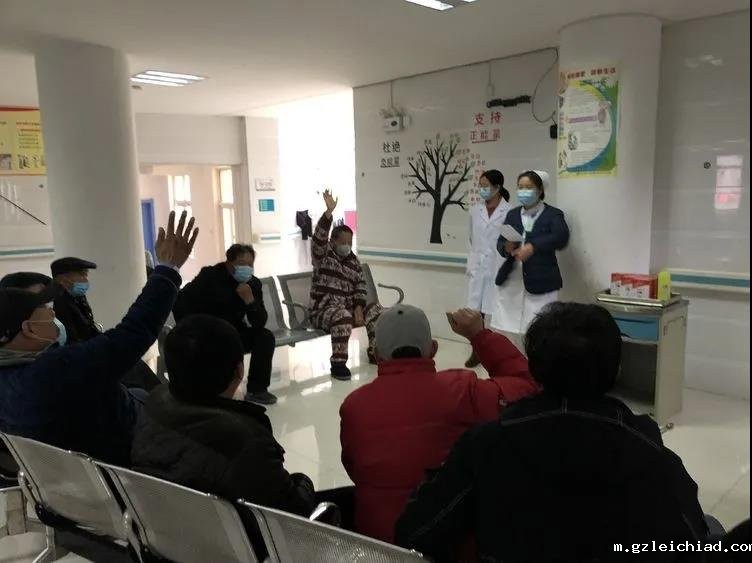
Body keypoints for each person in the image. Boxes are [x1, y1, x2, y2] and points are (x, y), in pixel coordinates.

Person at [396, 302, 708, 563]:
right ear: (617, 370)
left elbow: (418, 531)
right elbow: (691, 543)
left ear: (534, 368)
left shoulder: (486, 443)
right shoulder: (649, 452)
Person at [0, 211, 198, 466]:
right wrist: (168, 269)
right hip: (138, 453)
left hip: (83, 463)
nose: (52, 313)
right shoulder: (54, 372)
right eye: (45, 309)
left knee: (140, 390)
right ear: (29, 329)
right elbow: (133, 333)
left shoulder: (12, 380)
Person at [340, 305, 538, 544]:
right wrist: (479, 335)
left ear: (376, 353)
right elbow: (529, 387)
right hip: (449, 542)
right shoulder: (463, 391)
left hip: (379, 546)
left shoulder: (354, 406)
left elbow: (353, 467)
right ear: (433, 349)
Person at [131, 314, 315, 558]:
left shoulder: (154, 403)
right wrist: (303, 481)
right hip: (238, 550)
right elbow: (293, 516)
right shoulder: (245, 439)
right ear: (239, 370)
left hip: (172, 541)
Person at [173, 244, 277, 405]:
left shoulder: (253, 284)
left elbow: (260, 322)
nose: (246, 268)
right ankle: (211, 392)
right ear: (229, 263)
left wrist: (250, 301)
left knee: (265, 337)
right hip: (208, 332)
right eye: (241, 264)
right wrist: (190, 328)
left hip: (234, 332)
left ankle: (257, 390)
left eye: (250, 265)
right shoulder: (210, 276)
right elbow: (182, 301)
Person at [310, 189, 382, 381]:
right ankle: (338, 363)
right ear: (333, 241)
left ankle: (375, 352)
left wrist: (358, 308)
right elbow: (318, 240)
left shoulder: (353, 261)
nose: (347, 246)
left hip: (348, 308)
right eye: (343, 242)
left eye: (350, 242)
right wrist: (328, 213)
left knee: (376, 310)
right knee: (342, 315)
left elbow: (360, 286)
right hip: (323, 311)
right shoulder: (323, 257)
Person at [491, 169, 570, 339]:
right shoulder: (512, 214)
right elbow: (500, 242)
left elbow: (561, 237)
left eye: (528, 187)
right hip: (512, 281)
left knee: (540, 332)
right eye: (520, 187)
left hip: (541, 281)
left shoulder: (553, 214)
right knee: (509, 333)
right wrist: (506, 247)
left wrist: (533, 247)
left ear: (540, 190)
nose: (523, 191)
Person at [464, 169, 511, 367]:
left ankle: (498, 353)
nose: (482, 189)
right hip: (479, 267)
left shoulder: (509, 211)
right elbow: (471, 238)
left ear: (497, 187)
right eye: (480, 186)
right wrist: (473, 261)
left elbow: (510, 240)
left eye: (486, 186)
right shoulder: (475, 210)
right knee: (476, 312)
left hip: (498, 266)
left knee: (497, 311)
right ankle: (478, 351)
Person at [50, 256, 101, 344]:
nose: (86, 280)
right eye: (81, 274)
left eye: (86, 275)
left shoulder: (77, 298)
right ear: (62, 279)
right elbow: (71, 340)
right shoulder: (56, 303)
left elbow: (89, 328)